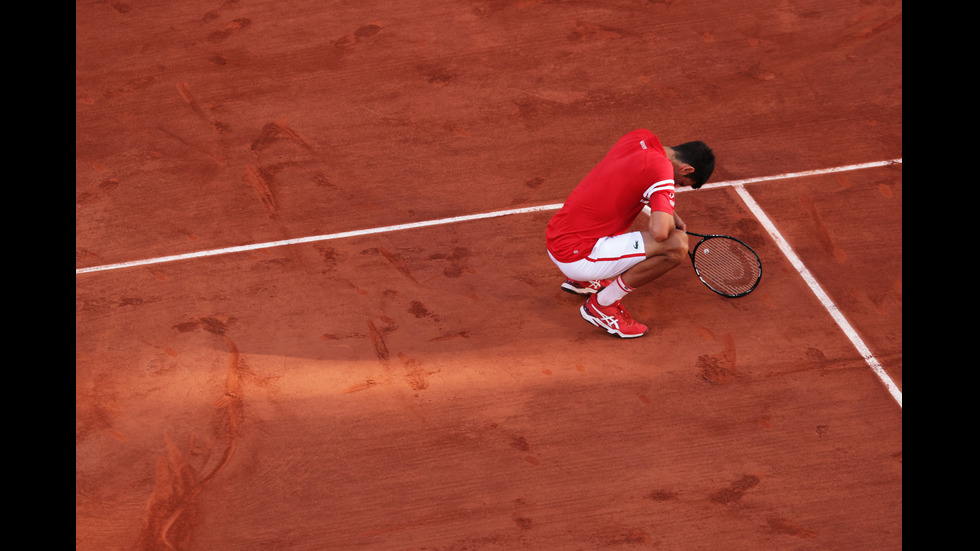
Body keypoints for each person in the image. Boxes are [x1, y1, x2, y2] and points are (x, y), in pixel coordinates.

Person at [545, 129, 715, 338]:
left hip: (557, 237)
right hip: (577, 257)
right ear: (687, 169)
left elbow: (640, 181)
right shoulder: (661, 169)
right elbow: (661, 233)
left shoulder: (639, 138)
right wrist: (667, 217)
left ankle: (583, 282)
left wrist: (669, 211)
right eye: (680, 183)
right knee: (677, 245)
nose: (675, 186)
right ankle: (603, 305)